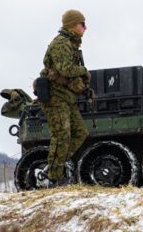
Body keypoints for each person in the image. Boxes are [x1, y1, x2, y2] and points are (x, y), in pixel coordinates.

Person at [38, 10, 90, 185]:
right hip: (55, 97)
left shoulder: (71, 44)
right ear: (73, 25)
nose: (85, 28)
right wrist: (84, 71)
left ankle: (53, 167)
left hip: (67, 97)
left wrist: (84, 88)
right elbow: (65, 70)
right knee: (62, 136)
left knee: (80, 133)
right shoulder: (61, 43)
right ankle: (53, 178)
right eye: (82, 24)